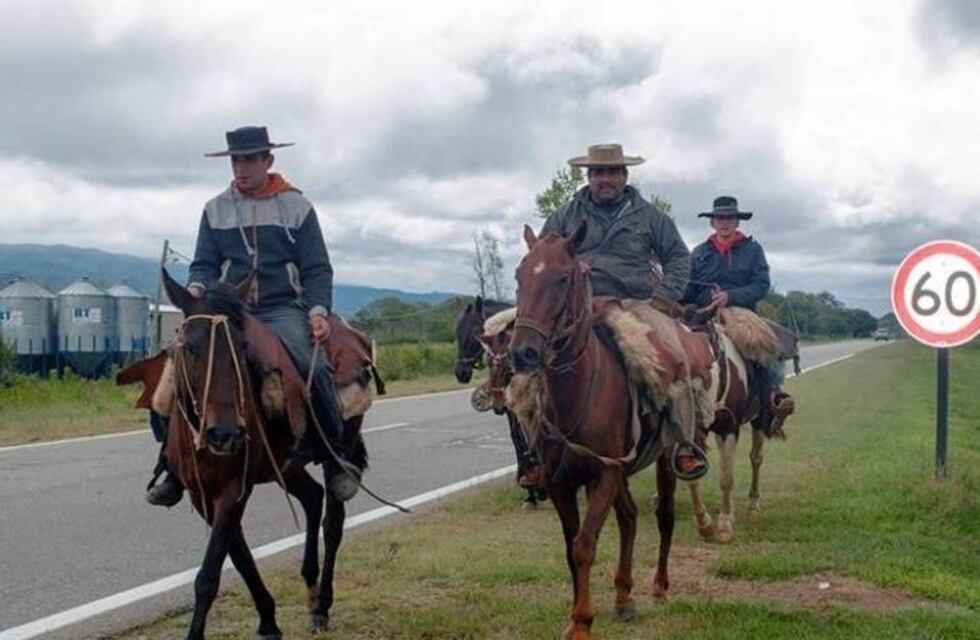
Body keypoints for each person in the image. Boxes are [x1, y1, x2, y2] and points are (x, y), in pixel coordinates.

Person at [147, 125, 347, 507]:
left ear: (268, 160)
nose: (241, 167)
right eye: (236, 160)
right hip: (228, 310)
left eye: (250, 159)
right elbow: (204, 264)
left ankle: (335, 456)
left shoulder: (297, 207)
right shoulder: (215, 208)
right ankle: (171, 466)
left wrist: (319, 311)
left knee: (312, 364)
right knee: (173, 367)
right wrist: (196, 289)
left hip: (282, 307)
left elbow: (317, 268)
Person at [539, 143, 706, 480]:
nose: (605, 179)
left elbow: (678, 258)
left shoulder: (649, 217)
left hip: (636, 304)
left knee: (673, 356)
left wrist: (662, 298)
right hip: (577, 305)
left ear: (624, 176)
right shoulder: (565, 216)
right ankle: (534, 450)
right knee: (521, 354)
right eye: (598, 172)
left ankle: (684, 444)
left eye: (612, 172)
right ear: (588, 177)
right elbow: (544, 257)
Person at [684, 195, 794, 434]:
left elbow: (761, 284)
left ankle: (772, 398)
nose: (724, 222)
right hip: (702, 313)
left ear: (737, 222)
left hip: (740, 312)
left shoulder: (753, 250)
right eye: (719, 218)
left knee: (765, 345)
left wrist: (730, 297)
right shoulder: (699, 252)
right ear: (712, 222)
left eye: (729, 218)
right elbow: (688, 290)